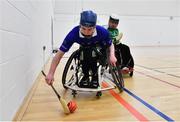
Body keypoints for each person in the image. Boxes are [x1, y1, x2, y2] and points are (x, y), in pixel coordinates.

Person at [45, 10, 117, 88]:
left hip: (99, 48)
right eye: (83, 28)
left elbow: (110, 44)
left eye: (89, 29)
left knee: (94, 52)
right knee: (85, 52)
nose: (86, 32)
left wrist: (112, 55)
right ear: (80, 25)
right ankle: (85, 75)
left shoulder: (102, 32)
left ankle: (95, 76)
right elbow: (58, 55)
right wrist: (51, 73)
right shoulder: (73, 34)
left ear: (95, 27)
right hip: (85, 48)